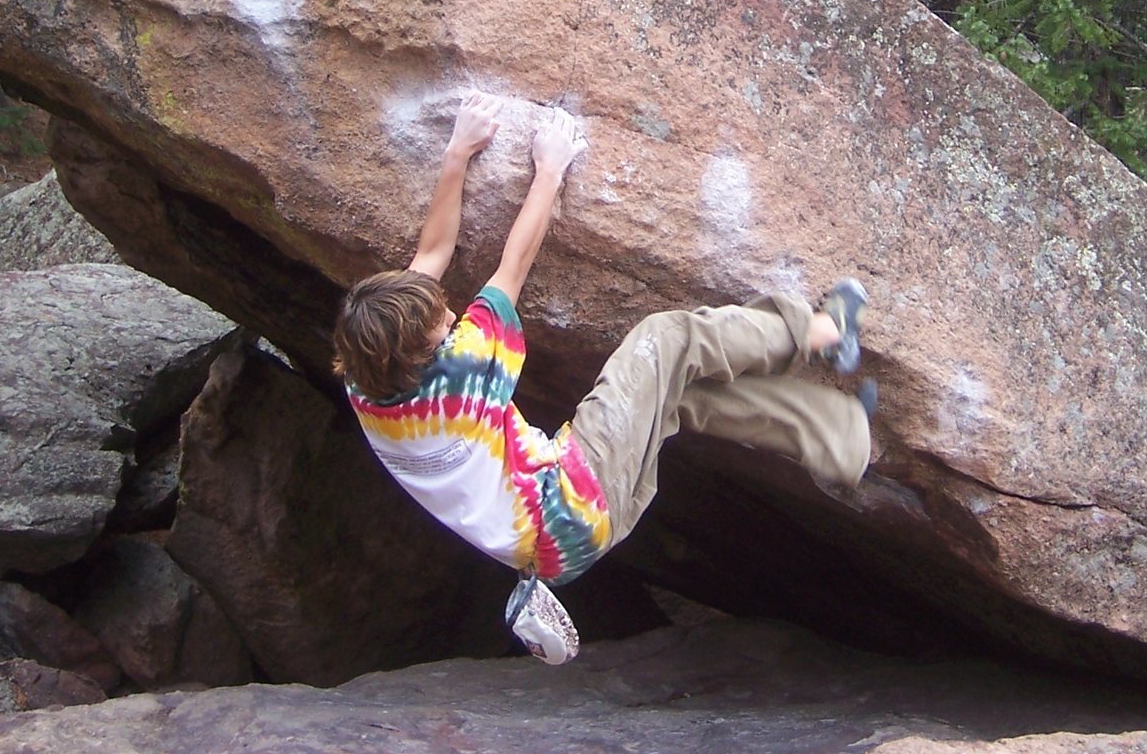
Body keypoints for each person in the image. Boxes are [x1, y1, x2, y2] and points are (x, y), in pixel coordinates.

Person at [335, 92, 875, 658]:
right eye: (439, 329)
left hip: (561, 546)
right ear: (422, 359)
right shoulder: (460, 377)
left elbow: (430, 254)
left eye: (441, 309)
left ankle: (841, 437)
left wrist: (457, 152)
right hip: (572, 498)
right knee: (667, 340)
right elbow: (512, 268)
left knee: (677, 397)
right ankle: (822, 332)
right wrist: (550, 167)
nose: (450, 317)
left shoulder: (367, 383)